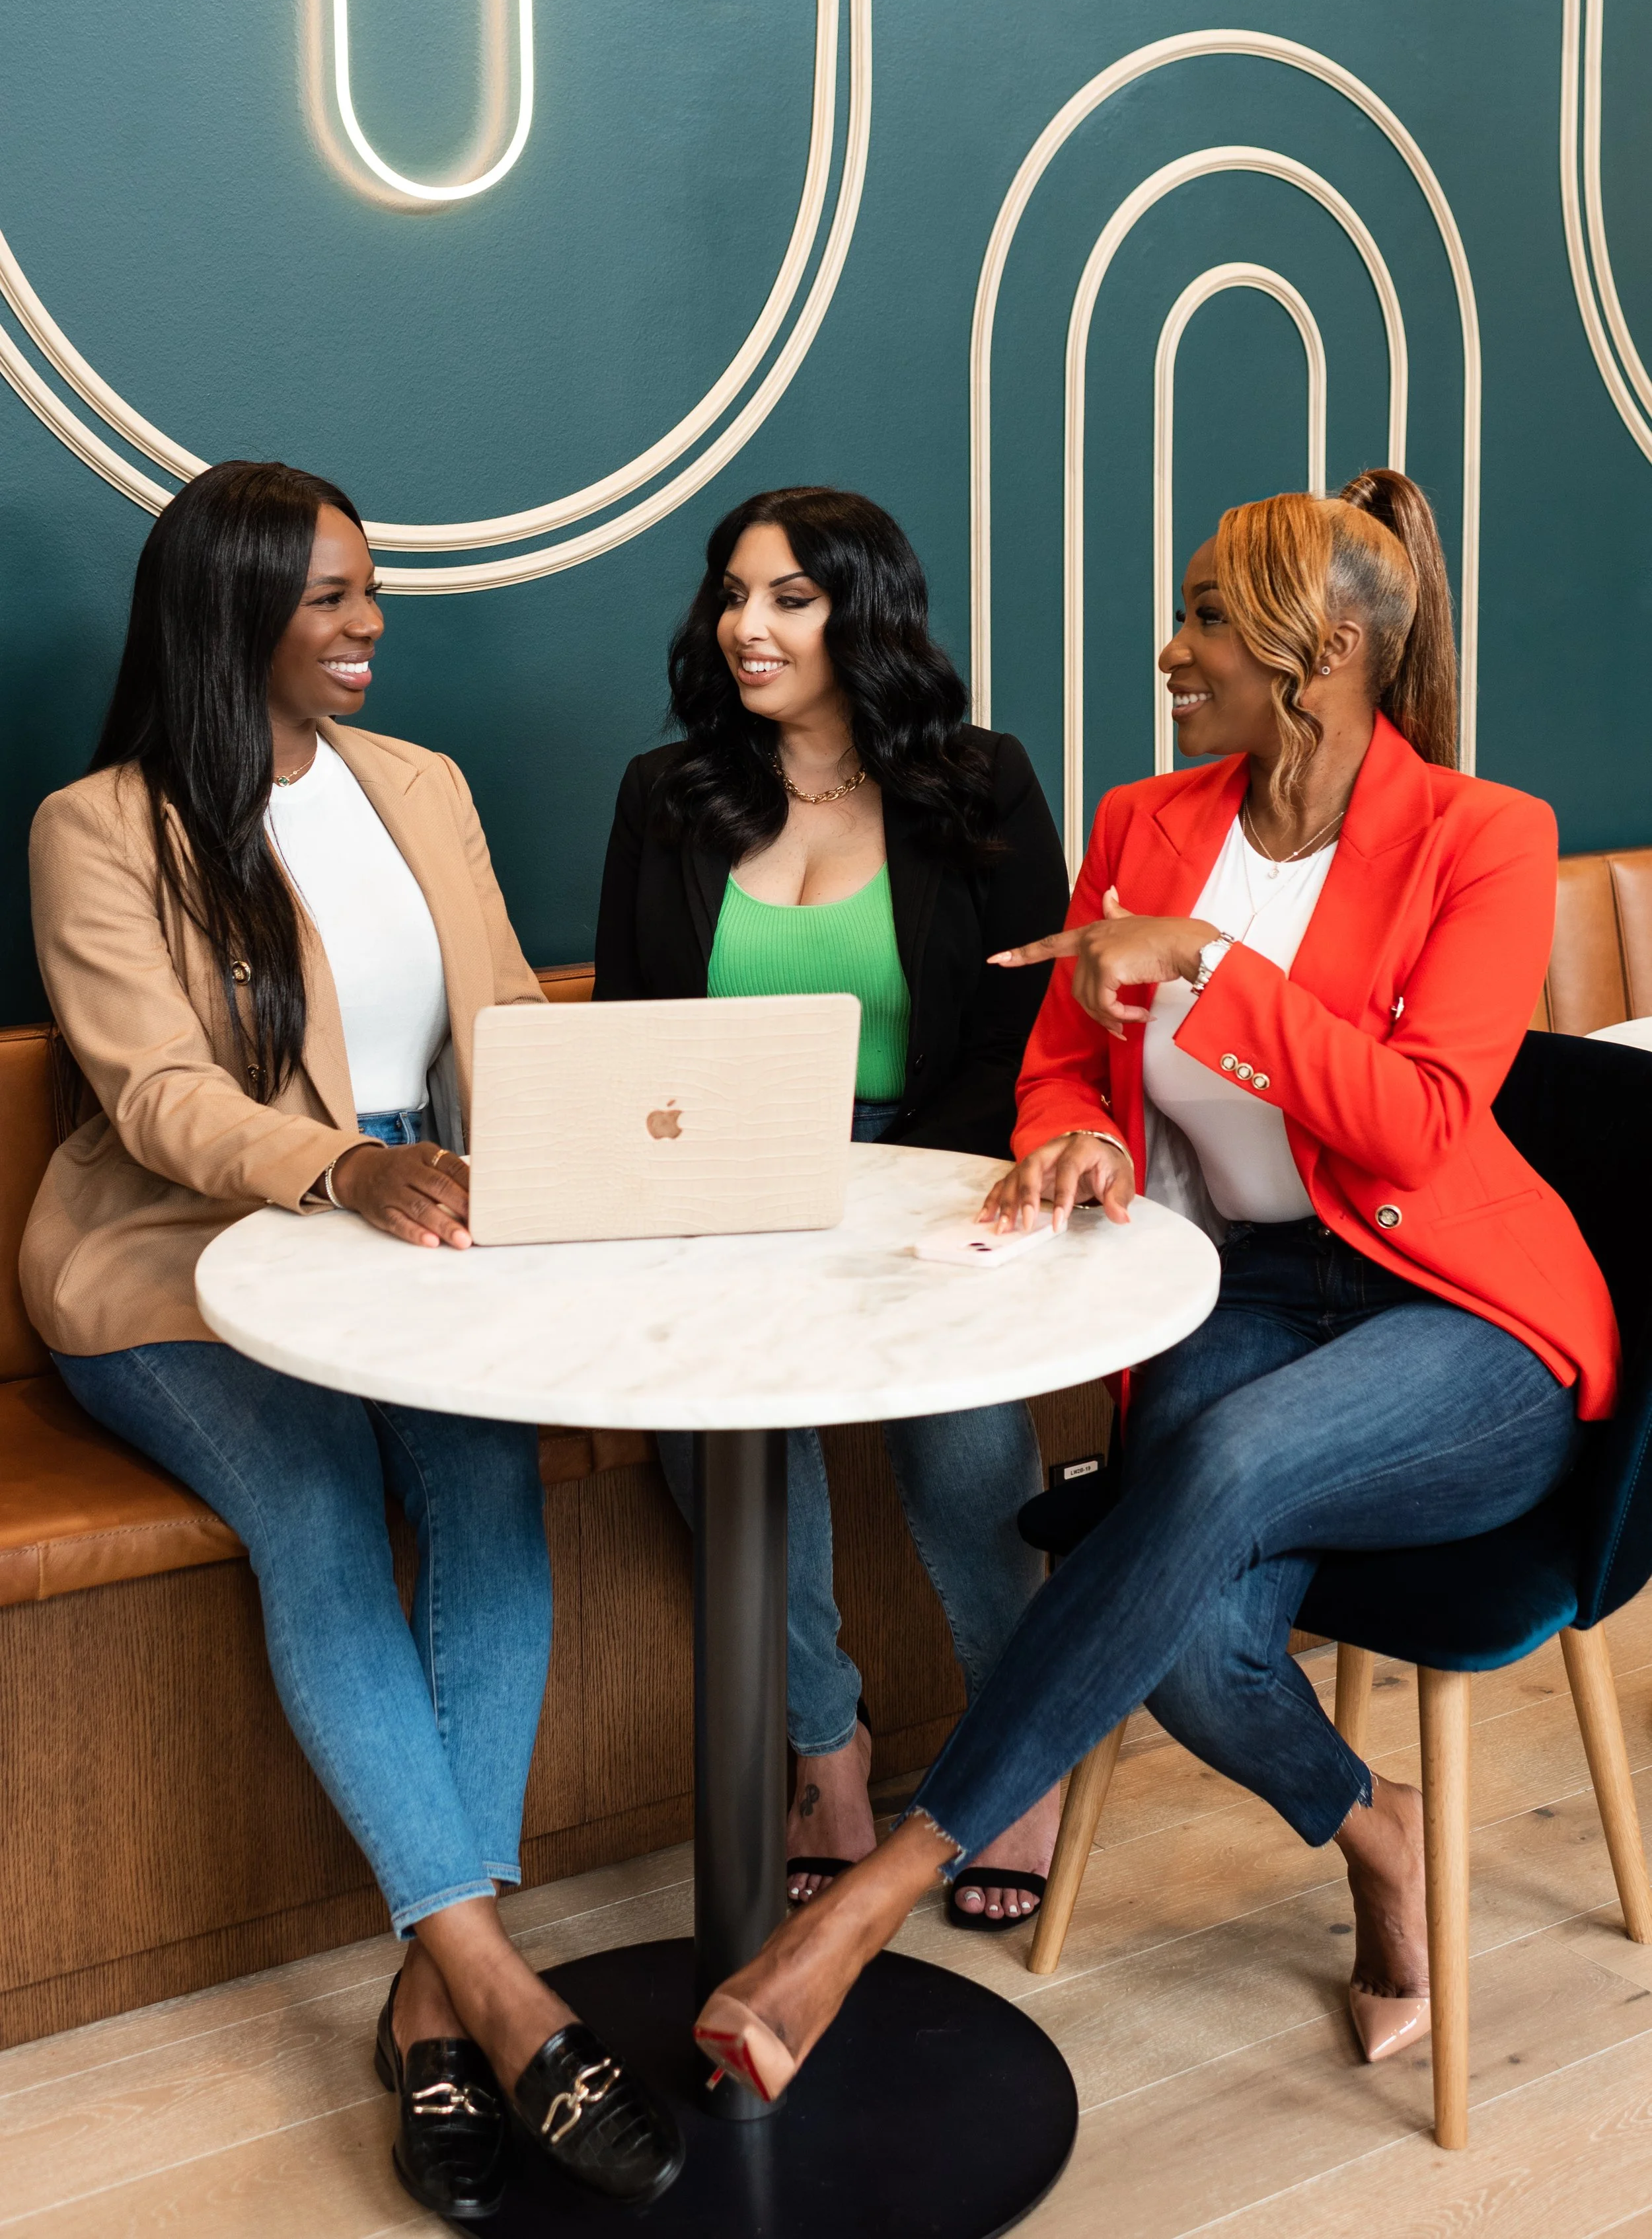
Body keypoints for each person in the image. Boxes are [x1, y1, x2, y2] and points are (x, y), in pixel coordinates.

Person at [684, 469, 1619, 2104]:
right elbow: (1060, 1058)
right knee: (1180, 1632)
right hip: (1239, 1290)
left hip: (1465, 1321)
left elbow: (1416, 1117)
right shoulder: (1146, 819)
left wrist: (1205, 962)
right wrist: (1081, 1146)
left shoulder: (1485, 836)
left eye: (1203, 614)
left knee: (1207, 1475)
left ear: (1319, 649)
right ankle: (1377, 1830)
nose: (1171, 647)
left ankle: (873, 1902)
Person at [24, 463, 683, 2220]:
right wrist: (345, 1162)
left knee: (488, 1489)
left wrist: (579, 1168)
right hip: (184, 1264)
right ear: (229, 608)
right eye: (328, 594)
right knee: (316, 1509)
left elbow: (498, 1025)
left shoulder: (421, 787)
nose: (370, 620)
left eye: (369, 587)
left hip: (414, 1235)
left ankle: (427, 1991)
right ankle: (507, 1990)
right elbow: (153, 1095)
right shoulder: (101, 824)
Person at [595, 485, 1071, 1924]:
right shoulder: (665, 794)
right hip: (726, 1185)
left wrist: (888, 1195)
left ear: (861, 610)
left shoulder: (975, 780)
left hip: (931, 1168)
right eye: (732, 594)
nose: (747, 625)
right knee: (712, 1439)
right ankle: (826, 1748)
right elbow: (629, 1029)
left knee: (965, 1434)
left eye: (788, 596)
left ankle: (1016, 1747)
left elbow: (1018, 1027)